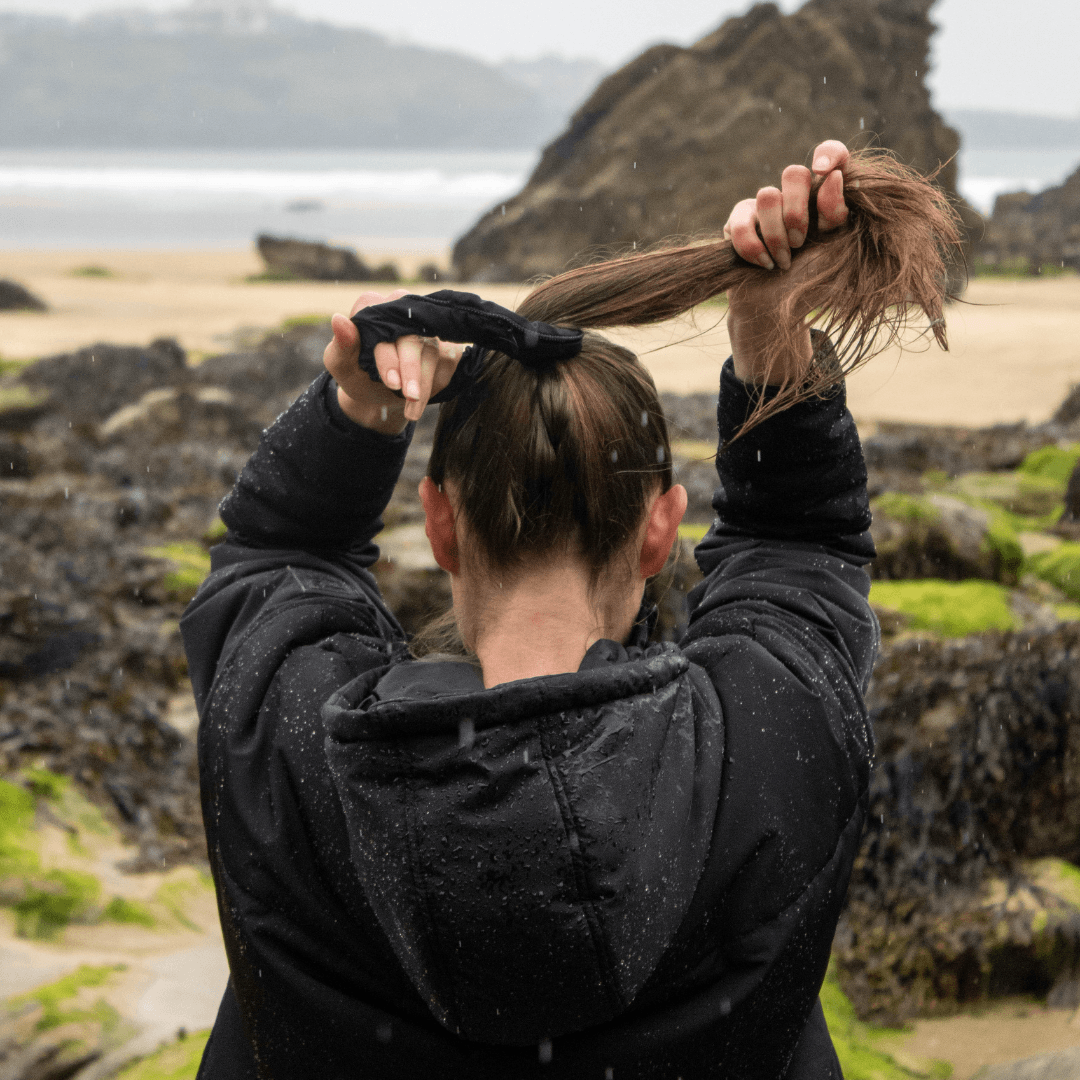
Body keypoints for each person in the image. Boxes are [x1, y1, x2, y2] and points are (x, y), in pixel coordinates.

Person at [180, 139, 957, 1078]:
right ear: (659, 530)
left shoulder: (291, 744)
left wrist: (363, 412)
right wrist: (768, 330)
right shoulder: (772, 738)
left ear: (440, 522)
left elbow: (275, 557)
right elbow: (802, 552)